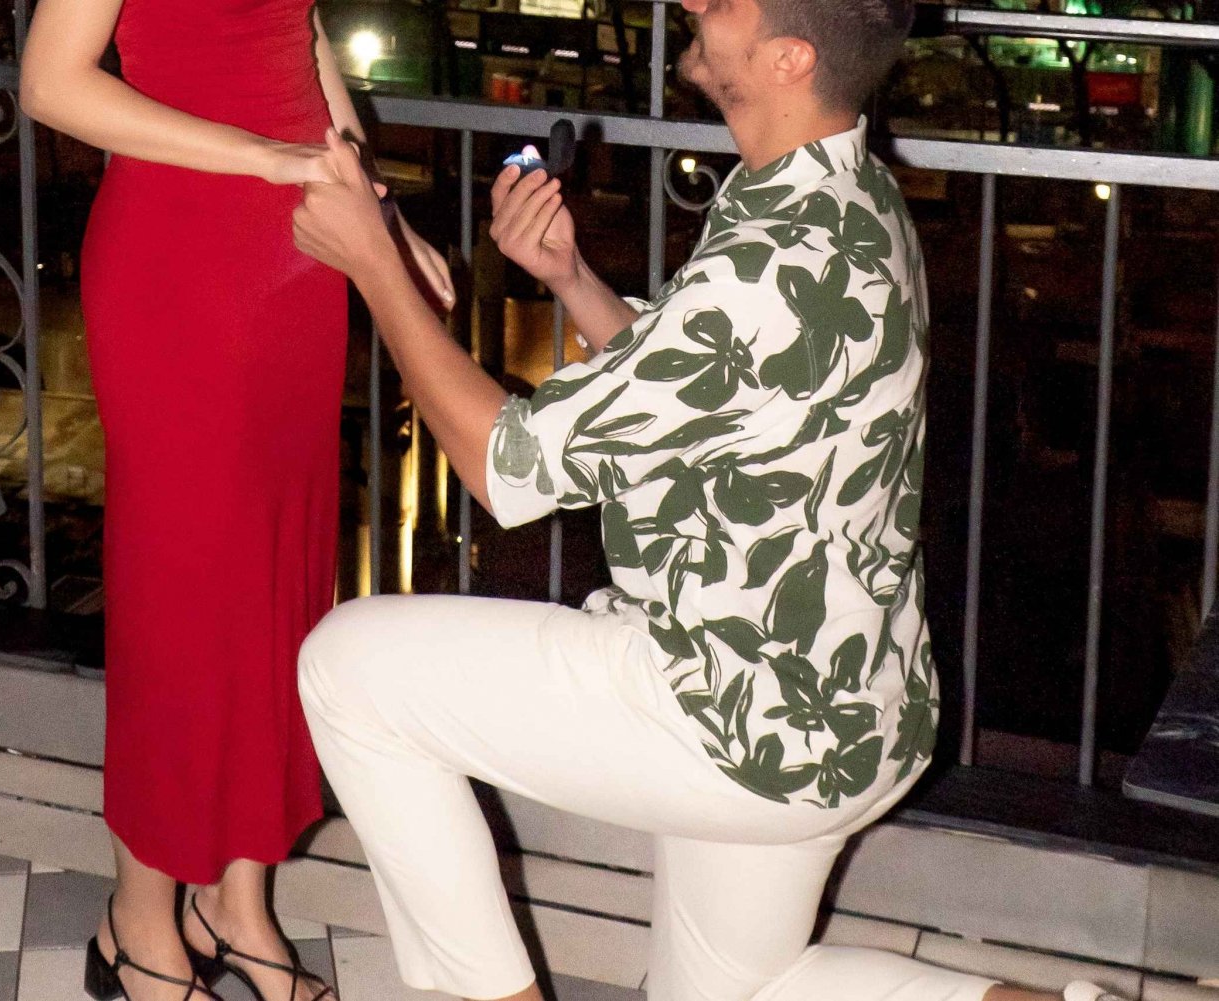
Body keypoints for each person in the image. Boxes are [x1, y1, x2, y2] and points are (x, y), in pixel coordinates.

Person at [288, 1, 1130, 1000]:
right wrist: (571, 277)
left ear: (788, 58)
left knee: (352, 668)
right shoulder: (838, 194)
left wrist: (375, 263)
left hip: (726, 702)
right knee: (740, 988)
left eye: (722, 0)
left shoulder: (773, 257)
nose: (691, 2)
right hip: (848, 705)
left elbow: (501, 463)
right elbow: (714, 377)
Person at [18, 1, 451, 998]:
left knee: (275, 585)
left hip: (296, 256)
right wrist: (267, 158)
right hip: (181, 254)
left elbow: (297, 40)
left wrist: (374, 211)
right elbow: (50, 83)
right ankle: (138, 917)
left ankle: (238, 901)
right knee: (182, 596)